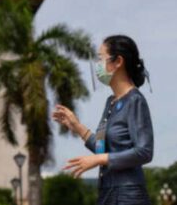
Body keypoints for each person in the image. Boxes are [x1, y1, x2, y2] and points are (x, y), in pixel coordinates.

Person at [53, 35, 154, 205]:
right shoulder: (110, 102)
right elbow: (102, 149)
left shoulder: (134, 100)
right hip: (107, 193)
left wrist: (99, 160)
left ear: (118, 62)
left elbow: (144, 151)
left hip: (128, 196)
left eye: (101, 58)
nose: (97, 65)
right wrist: (77, 126)